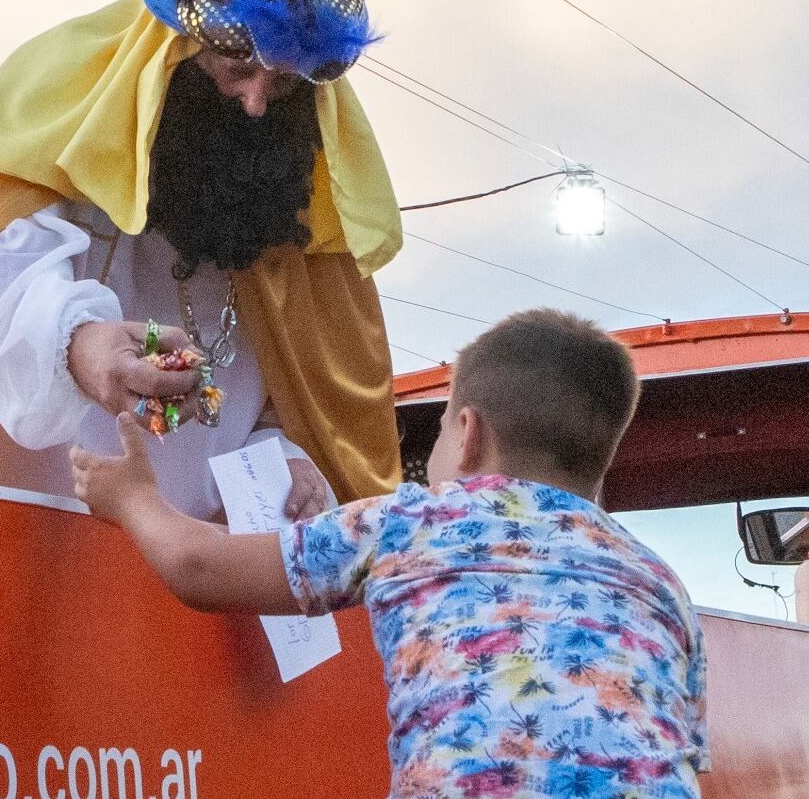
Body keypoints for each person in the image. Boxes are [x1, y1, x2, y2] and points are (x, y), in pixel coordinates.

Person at [0, 0, 403, 519]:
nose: (255, 102)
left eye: (285, 82)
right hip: (42, 539)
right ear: (174, 48)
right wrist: (84, 348)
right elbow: (5, 290)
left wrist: (289, 456)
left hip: (199, 575)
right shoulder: (60, 127)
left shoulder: (288, 210)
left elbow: (297, 404)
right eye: (236, 61)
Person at [71, 308, 710, 798]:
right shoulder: (660, 583)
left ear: (467, 434)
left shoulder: (412, 520)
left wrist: (130, 498)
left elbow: (197, 568)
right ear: (598, 471)